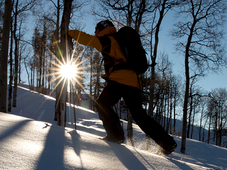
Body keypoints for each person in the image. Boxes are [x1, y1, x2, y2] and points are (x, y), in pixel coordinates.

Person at [68, 20, 177, 155]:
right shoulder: (119, 40)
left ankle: (116, 135)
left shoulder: (107, 40)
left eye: (96, 30)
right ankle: (167, 142)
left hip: (120, 80)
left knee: (102, 104)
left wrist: (69, 33)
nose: (94, 33)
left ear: (101, 29)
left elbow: (87, 39)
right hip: (134, 81)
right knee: (140, 116)